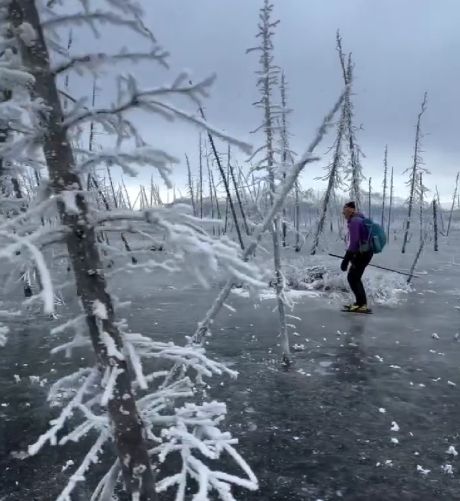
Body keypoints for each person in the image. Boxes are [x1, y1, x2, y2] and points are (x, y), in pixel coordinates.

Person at [340, 201, 373, 313]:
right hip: (365, 252)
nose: (343, 212)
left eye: (345, 210)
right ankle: (360, 304)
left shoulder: (354, 221)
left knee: (353, 278)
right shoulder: (359, 219)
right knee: (354, 277)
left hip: (362, 253)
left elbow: (354, 243)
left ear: (351, 210)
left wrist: (346, 260)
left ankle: (361, 305)